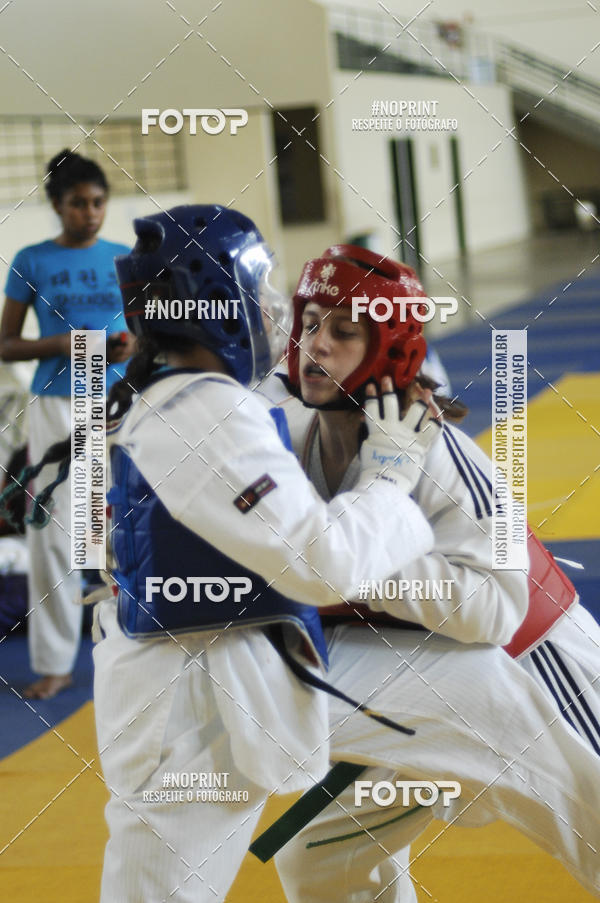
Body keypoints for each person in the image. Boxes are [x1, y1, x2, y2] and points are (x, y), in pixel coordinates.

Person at [21, 203, 441, 903]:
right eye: (259, 283)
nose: (271, 305)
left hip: (191, 692)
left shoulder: (166, 397)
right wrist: (392, 473)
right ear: (214, 300)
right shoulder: (204, 412)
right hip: (191, 715)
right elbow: (321, 559)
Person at [272, 244, 600, 901]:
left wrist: (343, 564)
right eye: (309, 323)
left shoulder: (441, 450)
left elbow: (499, 605)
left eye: (344, 330)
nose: (318, 345)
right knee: (317, 858)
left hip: (532, 666)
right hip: (418, 675)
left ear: (386, 347)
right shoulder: (295, 432)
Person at [0, 149, 135, 698]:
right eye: (78, 203)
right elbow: (6, 345)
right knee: (55, 535)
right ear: (57, 206)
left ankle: (140, 642)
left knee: (122, 527)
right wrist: (64, 345)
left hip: (120, 402)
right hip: (59, 406)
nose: (90, 213)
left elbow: (147, 332)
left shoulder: (126, 257)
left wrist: (128, 347)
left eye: (99, 202)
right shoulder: (31, 261)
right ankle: (55, 662)